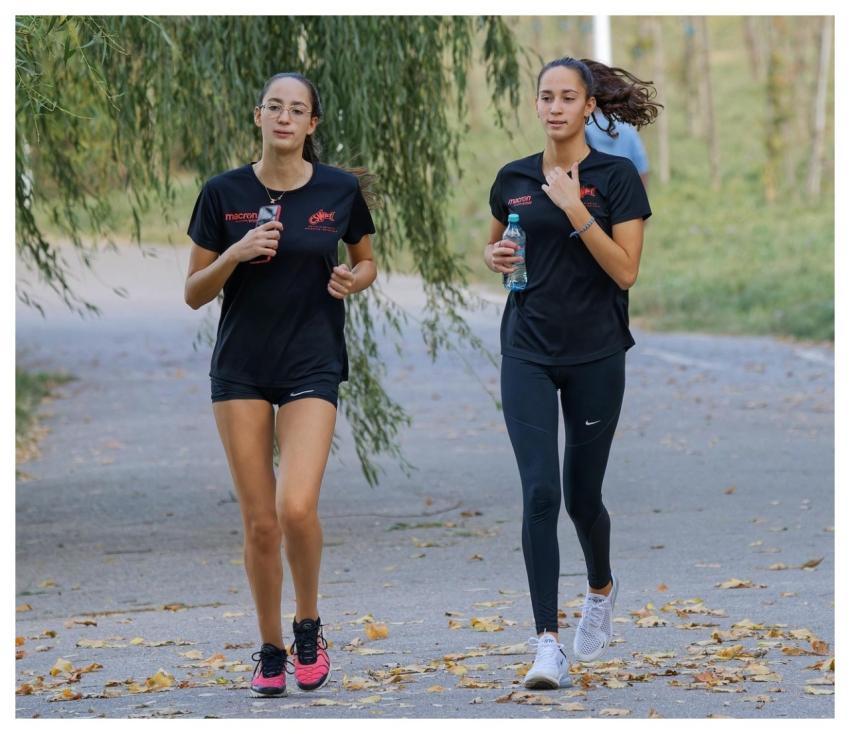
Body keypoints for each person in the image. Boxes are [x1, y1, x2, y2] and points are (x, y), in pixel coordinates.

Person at [184, 72, 377, 697]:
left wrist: (354, 279)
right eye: (275, 106)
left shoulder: (339, 189)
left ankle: (308, 625)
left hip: (311, 362)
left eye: (297, 109)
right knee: (261, 521)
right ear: (259, 115)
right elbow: (193, 293)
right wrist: (233, 254)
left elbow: (366, 260)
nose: (285, 117)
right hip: (241, 367)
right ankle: (270, 648)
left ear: (312, 123)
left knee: (295, 507)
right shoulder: (223, 193)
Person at [483, 57, 660, 689]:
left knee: (582, 497)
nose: (555, 107)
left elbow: (626, 271)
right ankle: (547, 644)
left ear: (589, 107)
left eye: (567, 97)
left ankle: (601, 588)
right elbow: (498, 245)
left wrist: (575, 209)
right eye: (545, 97)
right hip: (527, 349)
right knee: (540, 493)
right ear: (536, 105)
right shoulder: (513, 178)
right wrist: (496, 256)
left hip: (596, 353)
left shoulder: (616, 178)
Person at [585, 111, 650, 188]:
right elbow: (642, 169)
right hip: (625, 189)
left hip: (594, 190)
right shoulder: (627, 128)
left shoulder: (585, 128)